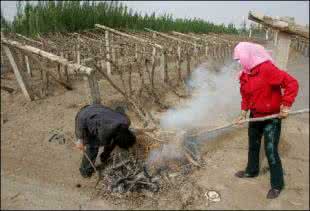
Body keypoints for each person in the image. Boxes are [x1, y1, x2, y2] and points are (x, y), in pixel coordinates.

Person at [232, 42, 299, 199]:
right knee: (253, 146)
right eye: (237, 60)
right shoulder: (245, 75)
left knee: (271, 151)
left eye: (239, 59)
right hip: (255, 116)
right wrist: (243, 112)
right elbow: (246, 96)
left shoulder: (267, 69)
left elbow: (292, 83)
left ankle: (277, 184)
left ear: (248, 55)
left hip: (271, 118)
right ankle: (251, 171)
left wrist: (286, 105)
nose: (239, 63)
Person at [74, 103, 136, 178]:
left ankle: (104, 158)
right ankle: (85, 170)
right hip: (83, 118)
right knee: (93, 148)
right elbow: (82, 120)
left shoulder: (126, 121)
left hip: (98, 109)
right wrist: (80, 139)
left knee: (112, 142)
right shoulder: (104, 133)